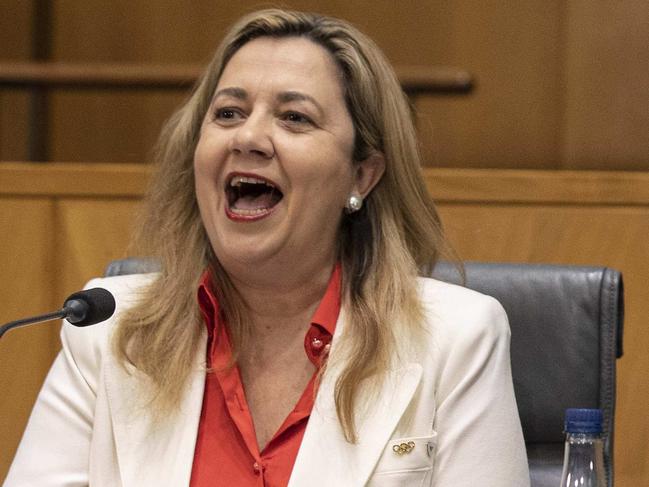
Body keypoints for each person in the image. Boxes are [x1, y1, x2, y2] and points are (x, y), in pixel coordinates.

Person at [4, 8, 530, 487]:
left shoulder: (457, 339)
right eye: (228, 113)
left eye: (294, 118)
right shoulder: (106, 334)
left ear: (363, 175)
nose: (248, 138)